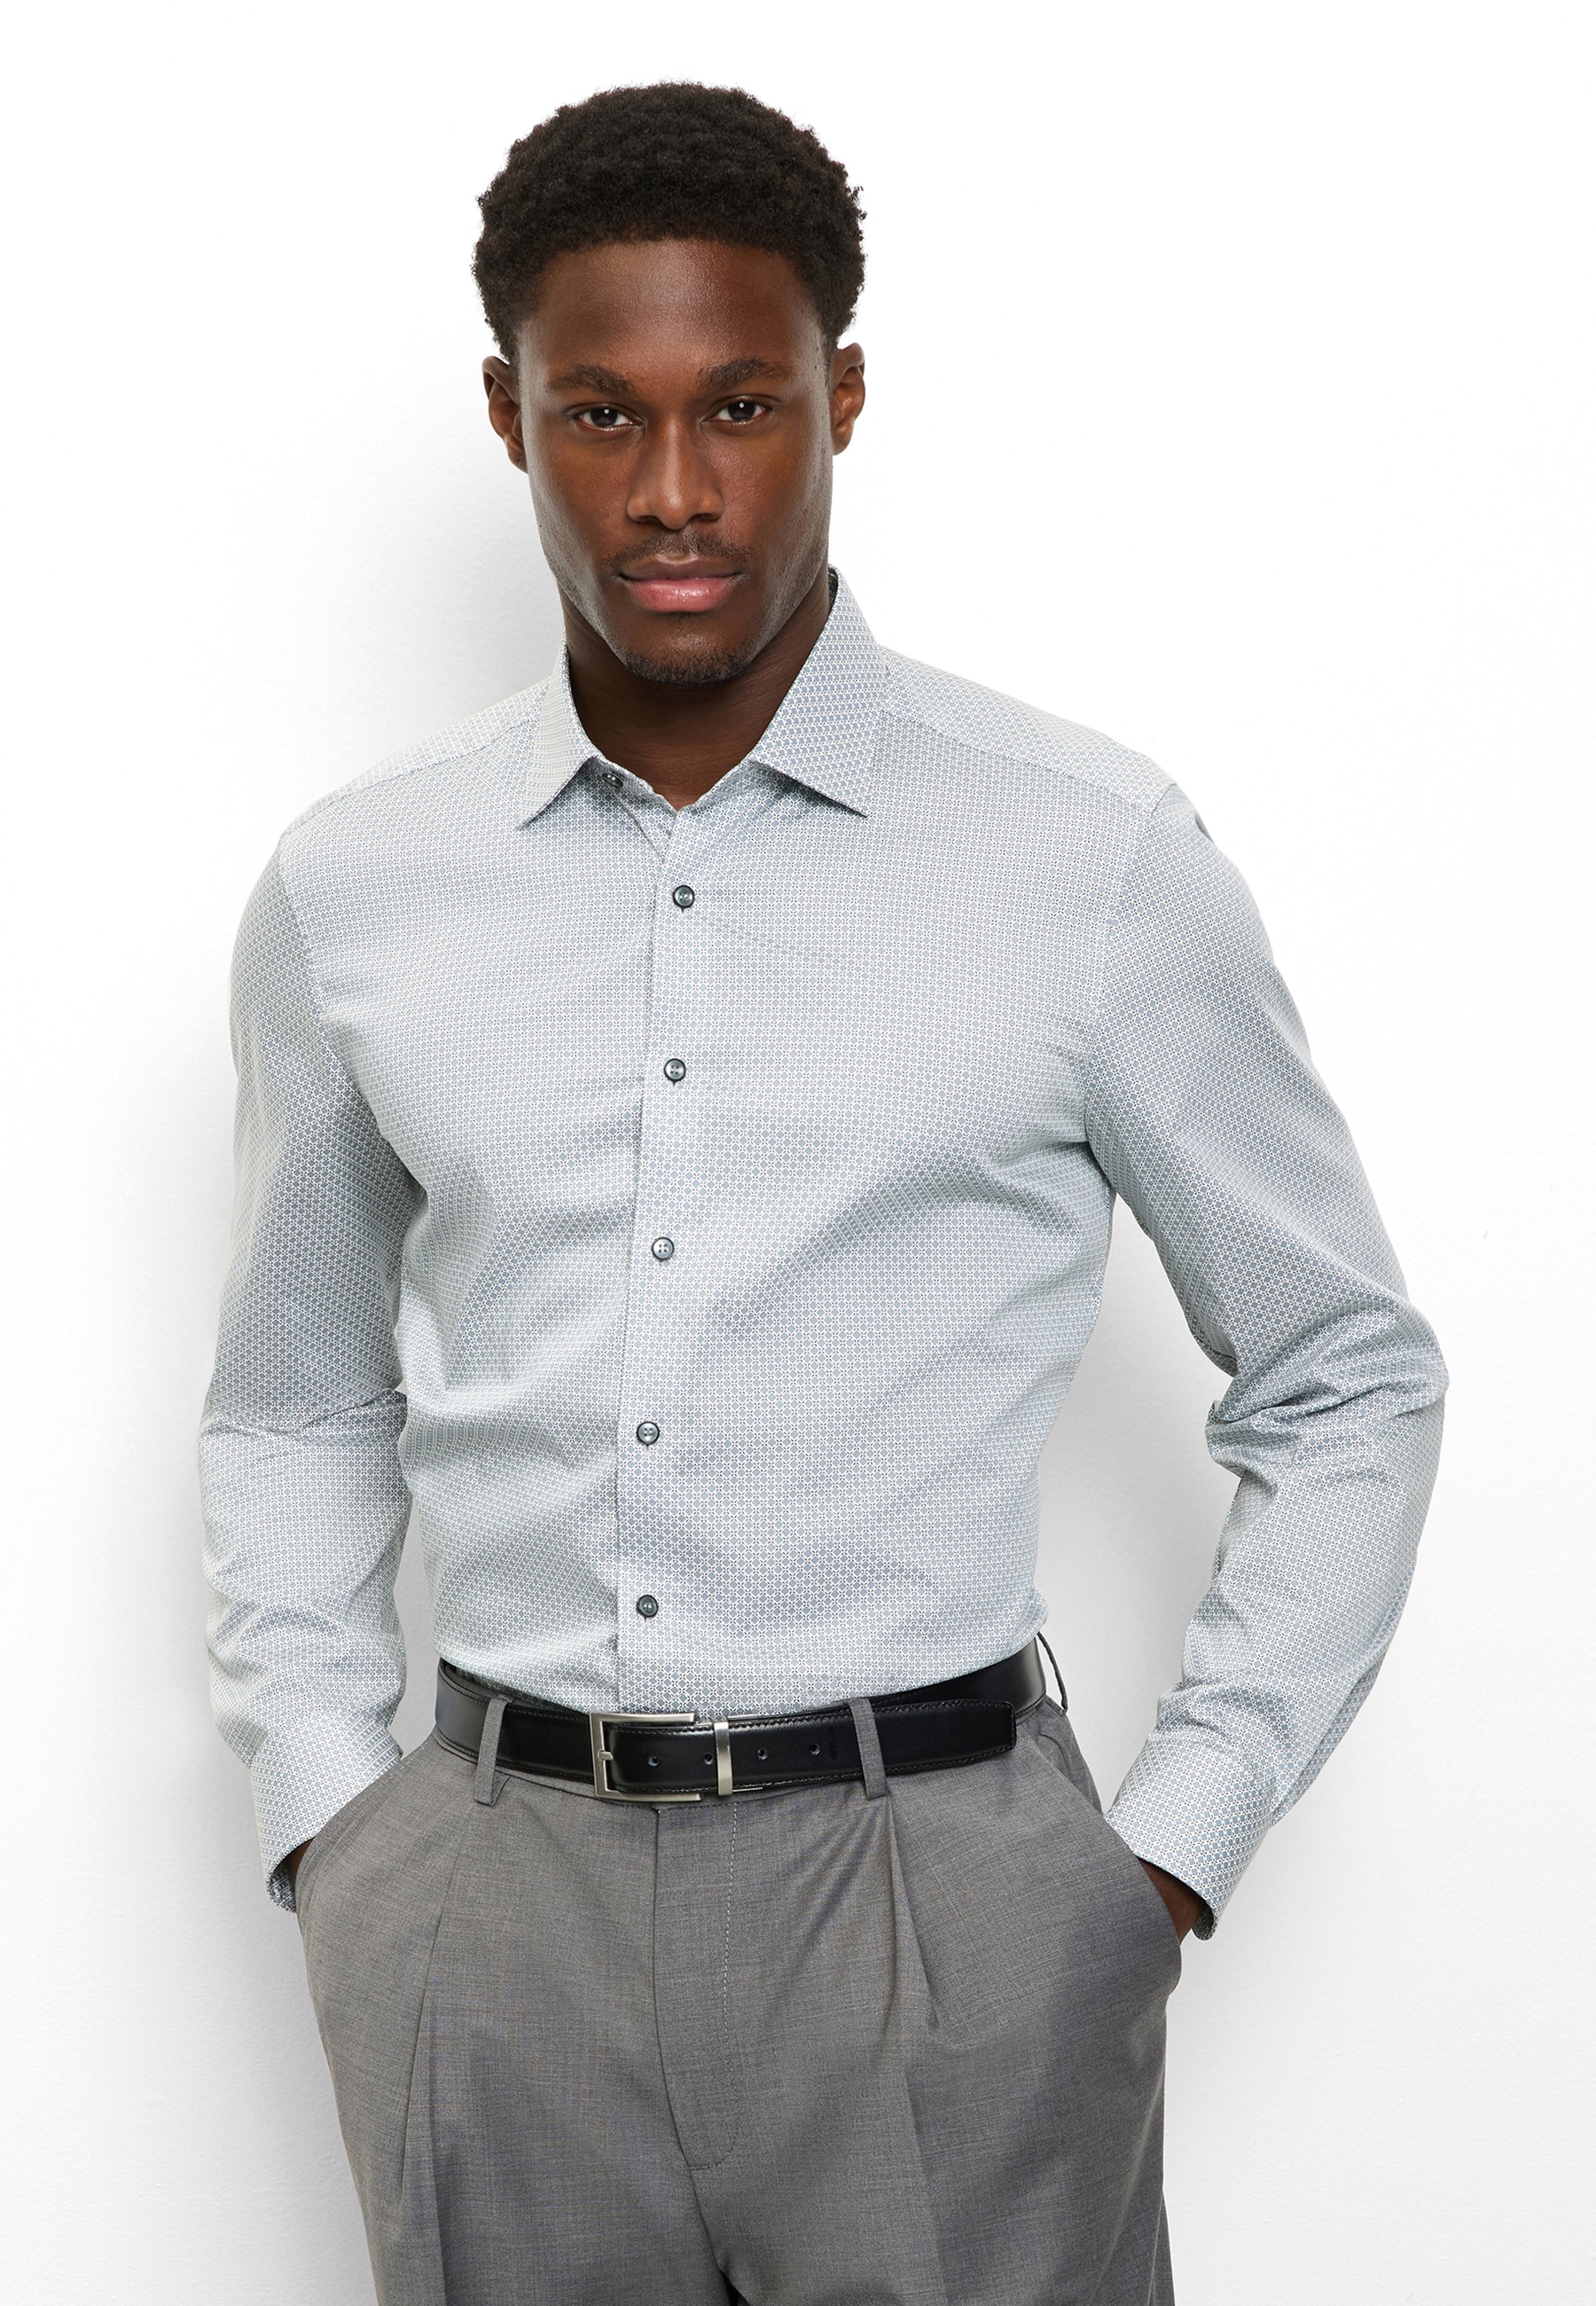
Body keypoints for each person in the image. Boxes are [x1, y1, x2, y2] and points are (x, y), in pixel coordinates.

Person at [200, 81, 1446, 2306]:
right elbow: (294, 1395)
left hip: (939, 1900)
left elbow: (1346, 1370)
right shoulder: (354, 889)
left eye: (743, 406)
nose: (675, 489)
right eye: (601, 412)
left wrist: (1161, 1854)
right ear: (506, 416)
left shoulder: (1089, 860)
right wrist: (338, 1815)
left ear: (842, 395)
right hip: (493, 1903)